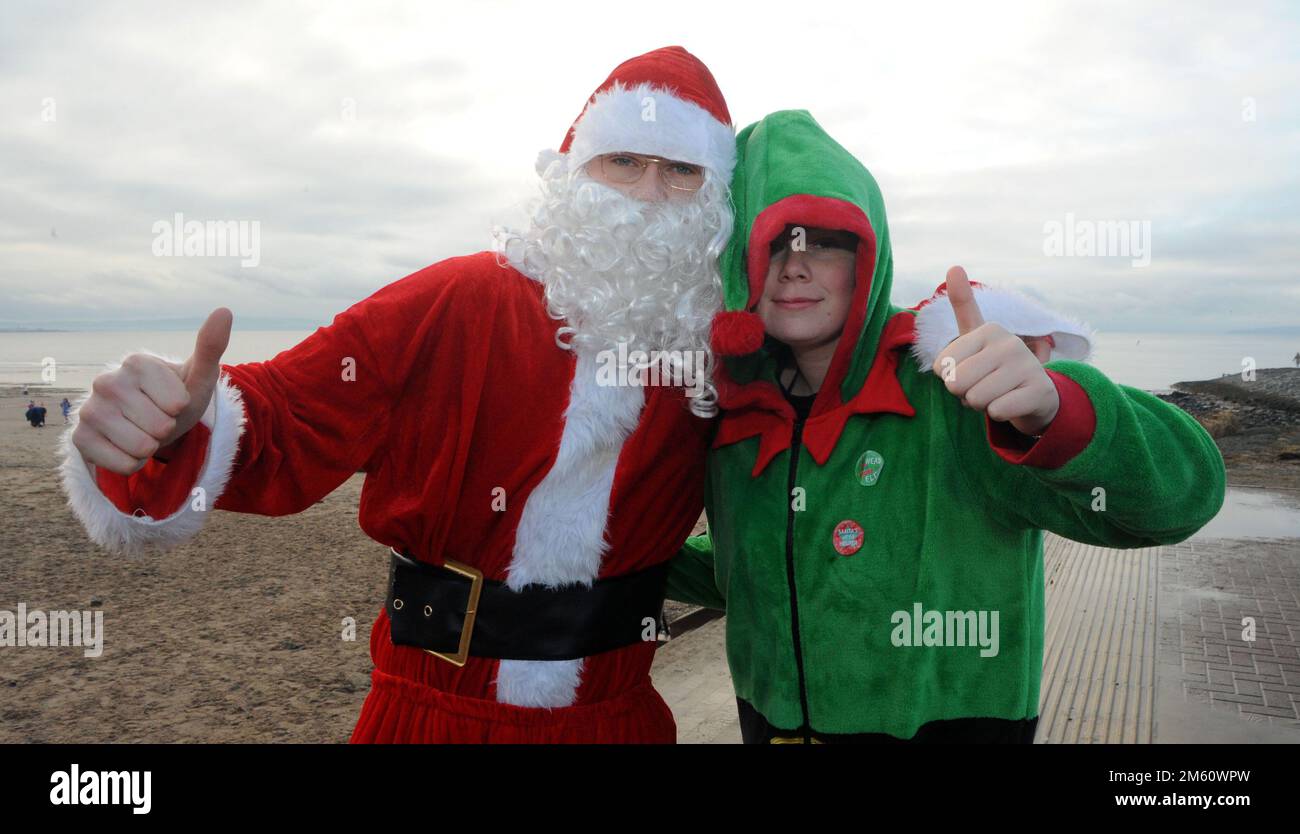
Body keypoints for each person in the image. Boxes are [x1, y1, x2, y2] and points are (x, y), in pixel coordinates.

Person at [667, 110, 1226, 743]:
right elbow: (745, 572)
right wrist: (605, 556)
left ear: (868, 255)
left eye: (822, 241)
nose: (794, 267)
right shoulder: (736, 413)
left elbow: (1183, 501)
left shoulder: (950, 385)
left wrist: (1055, 411)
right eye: (772, 242)